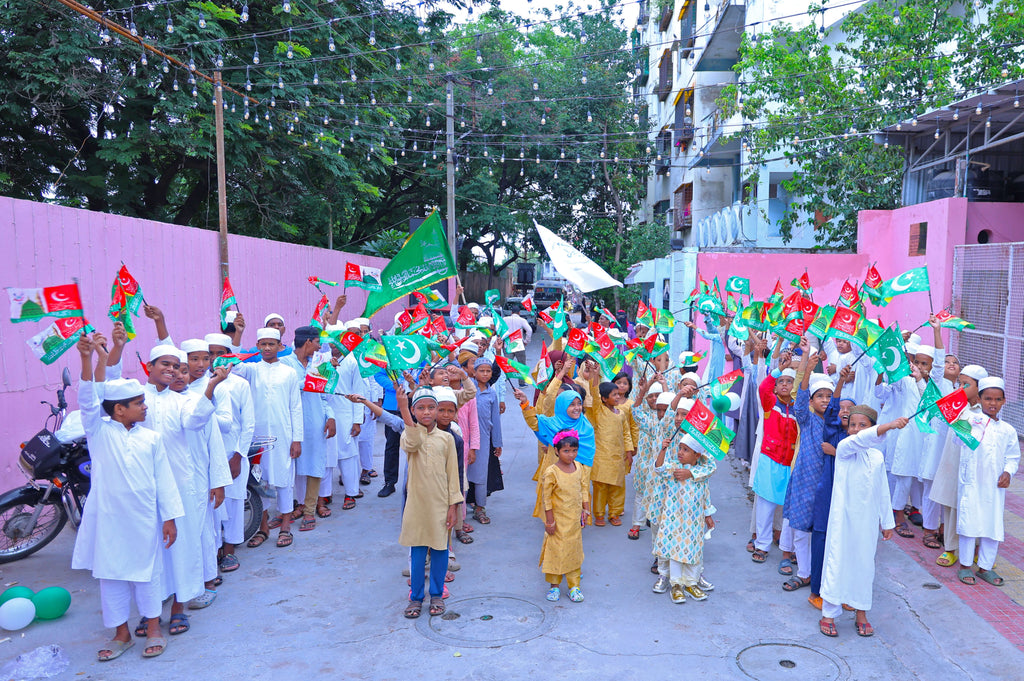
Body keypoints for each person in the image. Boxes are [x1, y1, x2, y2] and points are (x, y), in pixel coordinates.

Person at [73, 332, 182, 661]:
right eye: (139, 404)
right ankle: (121, 634)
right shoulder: (100, 433)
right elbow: (89, 402)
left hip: (145, 518)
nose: (145, 406)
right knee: (112, 578)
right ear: (119, 410)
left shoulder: (150, 439)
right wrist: (86, 358)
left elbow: (164, 479)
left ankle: (152, 628)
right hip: (109, 520)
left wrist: (170, 517)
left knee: (148, 575)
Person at [819, 407, 908, 638]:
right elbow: (859, 441)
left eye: (863, 425)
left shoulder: (877, 456)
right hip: (843, 519)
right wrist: (888, 426)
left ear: (871, 427)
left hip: (867, 522)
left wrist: (887, 521)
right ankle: (829, 614)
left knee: (864, 566)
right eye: (852, 425)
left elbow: (882, 491)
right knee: (837, 562)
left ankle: (861, 613)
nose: (856, 430)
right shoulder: (845, 450)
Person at [232, 328, 303, 549]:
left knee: (283, 479)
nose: (266, 348)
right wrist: (238, 333)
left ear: (279, 345)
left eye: (271, 344)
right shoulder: (252, 370)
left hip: (284, 434)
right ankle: (263, 528)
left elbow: (295, 406)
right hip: (257, 436)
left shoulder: (289, 372)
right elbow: (233, 364)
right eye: (262, 344)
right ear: (258, 345)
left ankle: (284, 527)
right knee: (259, 480)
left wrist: (297, 438)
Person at [398, 387, 463, 619]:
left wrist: (453, 506)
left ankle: (436, 593)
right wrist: (404, 408)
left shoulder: (447, 439)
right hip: (416, 506)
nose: (427, 412)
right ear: (414, 411)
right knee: (417, 553)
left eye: (431, 407)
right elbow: (413, 444)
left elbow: (453, 475)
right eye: (421, 408)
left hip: (440, 505)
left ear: (437, 410)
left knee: (440, 550)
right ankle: (416, 597)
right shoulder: (408, 434)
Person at [780, 338, 834, 592]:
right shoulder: (807, 419)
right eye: (820, 396)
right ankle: (803, 573)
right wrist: (809, 368)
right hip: (804, 481)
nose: (824, 400)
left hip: (827, 484)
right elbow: (799, 400)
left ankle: (819, 573)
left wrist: (841, 379)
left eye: (828, 396)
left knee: (821, 531)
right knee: (800, 529)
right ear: (812, 401)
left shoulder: (836, 425)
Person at [955, 376, 1019, 587]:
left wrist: (1008, 472)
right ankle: (965, 565)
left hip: (994, 485)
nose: (993, 403)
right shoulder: (969, 419)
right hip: (972, 481)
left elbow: (1012, 456)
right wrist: (961, 421)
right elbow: (958, 440)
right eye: (988, 398)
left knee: (992, 524)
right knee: (969, 523)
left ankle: (985, 567)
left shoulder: (1008, 430)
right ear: (979, 399)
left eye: (998, 399)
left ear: (1003, 401)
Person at [204, 333, 255, 573]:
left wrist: (238, 455)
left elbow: (248, 423)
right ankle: (212, 550)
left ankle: (230, 551)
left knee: (234, 502)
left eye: (219, 353)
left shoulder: (240, 384)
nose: (214, 359)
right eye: (210, 354)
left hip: (232, 452)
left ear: (229, 354)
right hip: (207, 455)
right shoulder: (199, 383)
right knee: (211, 505)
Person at [929, 364, 988, 568]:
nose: (960, 387)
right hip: (953, 463)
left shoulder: (986, 410)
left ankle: (977, 550)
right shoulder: (956, 404)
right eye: (959, 383)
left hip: (976, 467)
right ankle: (950, 549)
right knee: (951, 506)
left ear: (980, 388)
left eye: (966, 384)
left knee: (976, 507)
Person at [281, 327, 336, 533]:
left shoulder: (319, 362)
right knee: (290, 468)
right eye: (317, 342)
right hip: (290, 423)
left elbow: (323, 394)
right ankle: (291, 507)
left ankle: (309, 510)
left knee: (314, 466)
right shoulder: (285, 363)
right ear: (308, 342)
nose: (319, 346)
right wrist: (315, 376)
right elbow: (293, 386)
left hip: (315, 422)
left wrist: (330, 416)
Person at [807, 369, 853, 610]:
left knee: (845, 542)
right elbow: (832, 413)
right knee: (822, 538)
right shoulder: (832, 431)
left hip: (850, 498)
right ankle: (817, 590)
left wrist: (837, 454)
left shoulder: (859, 440)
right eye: (841, 408)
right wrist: (841, 382)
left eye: (850, 409)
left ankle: (842, 590)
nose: (844, 412)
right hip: (828, 494)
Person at [652, 432, 717, 604]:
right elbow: (658, 468)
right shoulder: (674, 468)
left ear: (697, 455)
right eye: (680, 448)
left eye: (686, 450)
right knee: (675, 553)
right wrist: (663, 450)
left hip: (694, 522)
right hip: (674, 521)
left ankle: (691, 583)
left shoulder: (700, 473)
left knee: (694, 552)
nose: (680, 452)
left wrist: (708, 516)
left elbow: (706, 495)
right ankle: (676, 585)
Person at [750, 359, 799, 565]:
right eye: (781, 381)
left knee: (789, 510)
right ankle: (762, 545)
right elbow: (763, 386)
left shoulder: (801, 407)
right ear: (776, 387)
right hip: (770, 460)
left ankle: (790, 549)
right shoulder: (770, 403)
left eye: (790, 381)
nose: (785, 384)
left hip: (791, 463)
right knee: (765, 506)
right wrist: (779, 368)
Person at [540, 430, 591, 603]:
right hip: (558, 520)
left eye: (574, 450)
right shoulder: (551, 472)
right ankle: (554, 586)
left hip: (574, 520)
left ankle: (574, 586)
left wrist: (586, 510)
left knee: (574, 551)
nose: (571, 454)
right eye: (566, 451)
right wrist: (550, 521)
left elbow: (584, 489)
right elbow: (546, 499)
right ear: (556, 450)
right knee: (556, 551)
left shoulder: (579, 467)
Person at [587, 379, 634, 527]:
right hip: (601, 457)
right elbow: (594, 394)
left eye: (618, 394)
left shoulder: (620, 414)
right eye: (614, 395)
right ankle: (599, 514)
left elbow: (626, 433)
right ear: (604, 398)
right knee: (600, 487)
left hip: (618, 458)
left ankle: (614, 513)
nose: (618, 397)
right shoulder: (599, 410)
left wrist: (629, 452)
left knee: (618, 487)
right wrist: (594, 374)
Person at [467, 357, 503, 524]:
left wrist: (497, 443)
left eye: (488, 371)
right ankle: (459, 510)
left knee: (481, 475)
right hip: (465, 437)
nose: (485, 374)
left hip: (483, 438)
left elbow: (495, 419)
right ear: (474, 372)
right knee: (462, 474)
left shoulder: (492, 394)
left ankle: (480, 508)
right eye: (481, 370)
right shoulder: (467, 389)